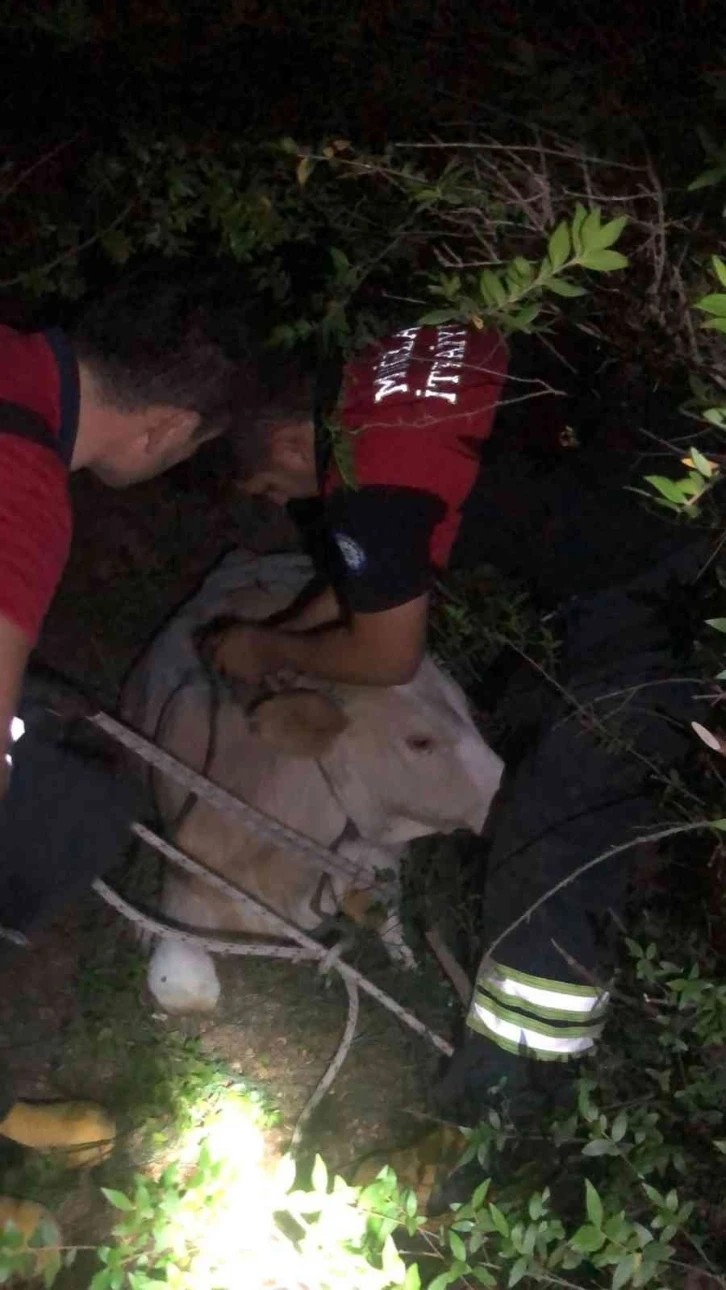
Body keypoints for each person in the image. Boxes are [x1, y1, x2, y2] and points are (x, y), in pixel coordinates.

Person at [206, 321, 709, 1149]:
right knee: (562, 761)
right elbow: (373, 578)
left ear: (294, 441)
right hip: (671, 489)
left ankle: (508, 1114)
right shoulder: (376, 379)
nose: (288, 504)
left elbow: (389, 654)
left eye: (272, 486)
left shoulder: (366, 485)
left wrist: (266, 647)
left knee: (547, 838)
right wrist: (292, 640)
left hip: (660, 587)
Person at [0, 269, 252, 1240]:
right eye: (190, 450)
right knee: (53, 820)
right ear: (163, 428)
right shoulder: (21, 493)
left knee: (72, 797)